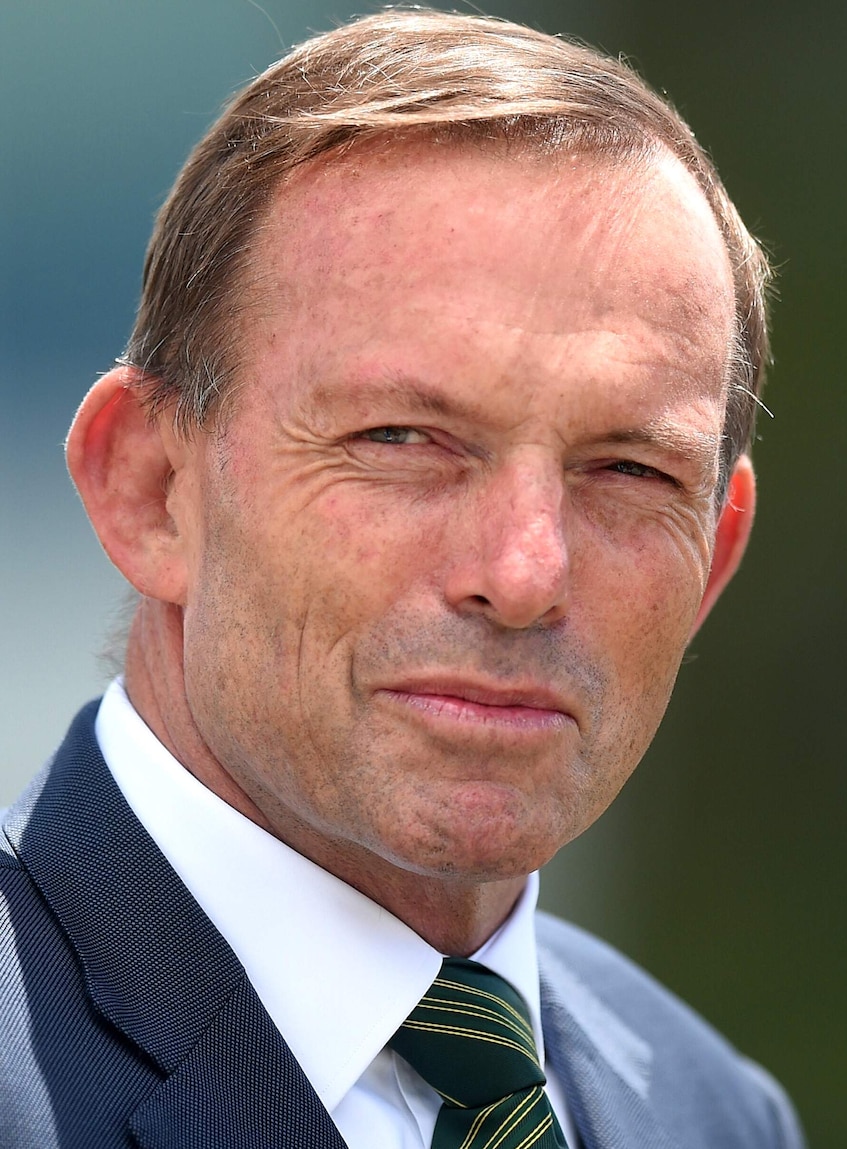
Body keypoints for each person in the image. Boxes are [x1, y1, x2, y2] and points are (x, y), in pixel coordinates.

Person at [0, 9, 805, 1148]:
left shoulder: (708, 1110)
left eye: (627, 469)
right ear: (149, 489)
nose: (524, 573)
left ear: (713, 559)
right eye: (403, 439)